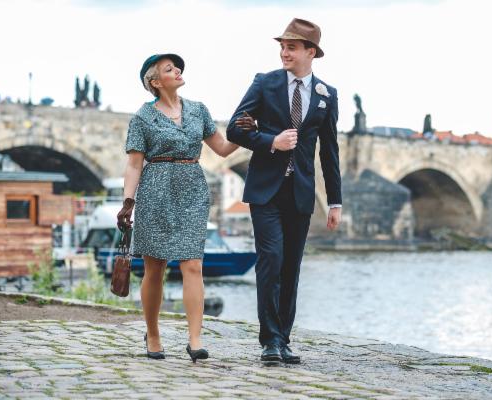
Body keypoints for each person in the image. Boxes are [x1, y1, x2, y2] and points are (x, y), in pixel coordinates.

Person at [228, 18, 342, 364]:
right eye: (282, 47)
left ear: (311, 52)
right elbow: (235, 129)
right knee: (271, 259)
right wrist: (271, 141)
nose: (284, 53)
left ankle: (283, 339)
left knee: (291, 267)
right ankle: (269, 341)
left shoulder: (326, 95)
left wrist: (335, 201)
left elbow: (330, 152)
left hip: (301, 193)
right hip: (265, 190)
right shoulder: (265, 84)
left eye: (291, 47)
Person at [117, 53, 239, 362]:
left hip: (192, 191)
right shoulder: (143, 117)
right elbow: (134, 164)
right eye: (169, 69)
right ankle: (153, 334)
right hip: (155, 191)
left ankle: (195, 339)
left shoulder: (199, 110)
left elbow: (223, 148)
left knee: (193, 264)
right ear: (155, 82)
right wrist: (128, 203)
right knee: (155, 268)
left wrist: (244, 132)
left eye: (177, 67)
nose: (178, 70)